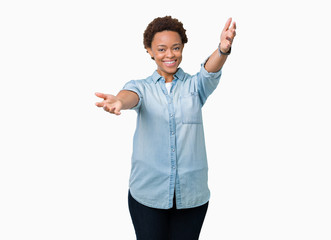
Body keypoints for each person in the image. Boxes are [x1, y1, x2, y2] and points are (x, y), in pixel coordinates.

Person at [95, 16, 236, 240]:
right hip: (148, 195)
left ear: (182, 49)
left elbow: (209, 71)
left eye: (176, 48)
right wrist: (119, 102)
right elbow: (130, 96)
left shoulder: (195, 86)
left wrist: (223, 49)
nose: (169, 54)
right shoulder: (141, 87)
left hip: (192, 196)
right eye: (161, 49)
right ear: (150, 51)